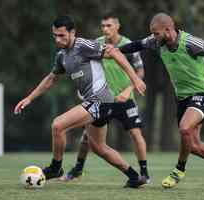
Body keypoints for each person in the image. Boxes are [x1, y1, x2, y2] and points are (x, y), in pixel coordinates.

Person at [119, 12, 204, 191]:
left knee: (184, 128)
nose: (153, 37)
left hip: (203, 92)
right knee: (193, 146)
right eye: (152, 33)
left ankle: (179, 170)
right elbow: (136, 45)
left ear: (168, 30)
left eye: (156, 33)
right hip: (182, 98)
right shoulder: (156, 42)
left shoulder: (191, 43)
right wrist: (114, 50)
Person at [14, 15, 147, 188]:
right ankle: (135, 177)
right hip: (95, 102)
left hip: (101, 99)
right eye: (55, 35)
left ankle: (55, 168)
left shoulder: (83, 45)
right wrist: (29, 98)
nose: (58, 39)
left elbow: (114, 52)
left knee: (58, 125)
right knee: (99, 148)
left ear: (72, 32)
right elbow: (51, 79)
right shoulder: (62, 56)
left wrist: (135, 79)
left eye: (62, 35)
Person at [63, 14, 150, 182]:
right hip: (102, 98)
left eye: (109, 25)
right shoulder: (97, 43)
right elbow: (88, 69)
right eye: (103, 26)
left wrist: (128, 89)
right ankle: (78, 170)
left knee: (135, 133)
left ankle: (144, 173)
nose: (105, 29)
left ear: (117, 26)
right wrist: (84, 89)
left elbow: (140, 72)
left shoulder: (128, 45)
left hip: (125, 99)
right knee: (87, 138)